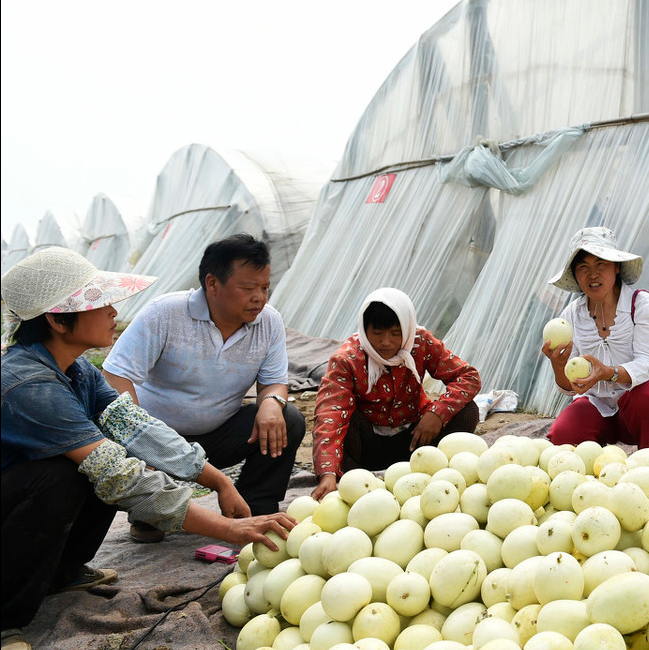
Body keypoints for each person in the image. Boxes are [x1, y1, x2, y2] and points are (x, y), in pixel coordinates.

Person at [1, 248, 295, 650]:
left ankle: (62, 572)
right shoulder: (28, 384)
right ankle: (5, 619)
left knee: (106, 455)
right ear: (57, 320)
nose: (112, 312)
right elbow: (116, 474)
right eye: (100, 303)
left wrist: (217, 481)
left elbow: (136, 427)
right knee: (71, 474)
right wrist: (228, 529)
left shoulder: (77, 370)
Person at [102, 234, 304, 541]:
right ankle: (150, 512)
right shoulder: (165, 314)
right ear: (212, 284)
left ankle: (256, 509)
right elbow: (116, 377)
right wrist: (142, 440)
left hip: (220, 435)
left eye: (264, 288)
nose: (260, 298)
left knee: (286, 418)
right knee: (151, 521)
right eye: (248, 288)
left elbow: (274, 381)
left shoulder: (269, 323)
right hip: (161, 443)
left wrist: (272, 403)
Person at [311, 288, 481, 499]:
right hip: (368, 445)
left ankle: (430, 466)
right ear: (364, 329)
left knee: (468, 410)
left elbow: (468, 377)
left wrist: (437, 413)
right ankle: (357, 478)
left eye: (395, 333)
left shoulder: (420, 342)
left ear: (408, 329)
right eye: (377, 332)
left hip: (415, 438)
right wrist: (327, 474)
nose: (386, 342)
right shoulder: (347, 359)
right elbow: (329, 416)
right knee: (345, 417)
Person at [541, 227, 649, 459]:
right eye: (583, 267)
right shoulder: (571, 315)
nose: (593, 275)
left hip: (638, 411)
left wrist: (607, 373)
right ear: (576, 275)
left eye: (601, 264)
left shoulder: (641, 304)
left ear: (616, 267)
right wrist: (559, 366)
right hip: (598, 408)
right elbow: (571, 386)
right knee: (563, 434)